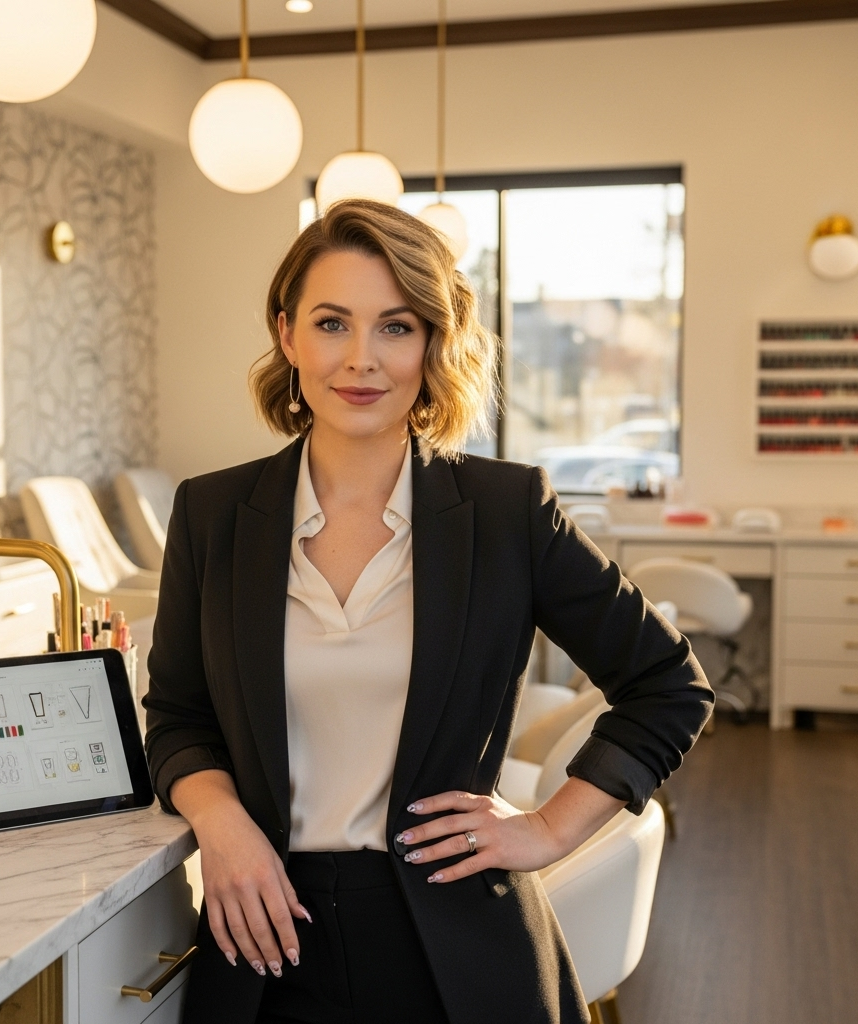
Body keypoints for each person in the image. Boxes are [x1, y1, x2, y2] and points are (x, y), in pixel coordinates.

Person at [144, 199, 712, 1024]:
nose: (362, 360)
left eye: (397, 327)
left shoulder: (505, 510)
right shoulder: (213, 513)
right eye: (332, 323)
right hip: (263, 935)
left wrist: (550, 829)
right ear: (287, 334)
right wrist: (220, 819)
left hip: (457, 948)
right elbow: (178, 716)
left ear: (433, 342)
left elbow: (669, 683)